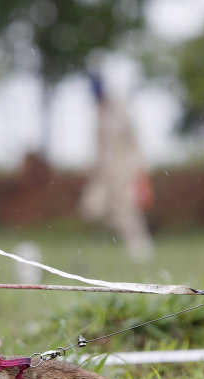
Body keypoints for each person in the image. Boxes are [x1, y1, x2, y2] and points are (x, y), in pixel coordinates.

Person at [79, 74, 155, 262]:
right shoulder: (98, 114)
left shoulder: (121, 111)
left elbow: (134, 141)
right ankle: (123, 233)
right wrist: (93, 165)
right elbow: (100, 145)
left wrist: (139, 169)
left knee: (127, 207)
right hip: (106, 172)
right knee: (92, 209)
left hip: (127, 169)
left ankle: (138, 244)